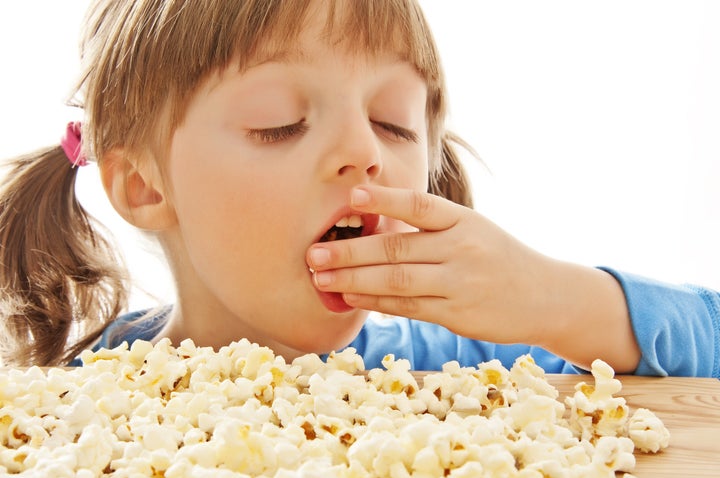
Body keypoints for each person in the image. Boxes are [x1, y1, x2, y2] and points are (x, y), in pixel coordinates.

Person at [0, 0, 717, 379]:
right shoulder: (76, 405)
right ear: (143, 186)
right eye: (279, 124)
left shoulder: (452, 365)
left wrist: (553, 297)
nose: (362, 152)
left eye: (393, 123)